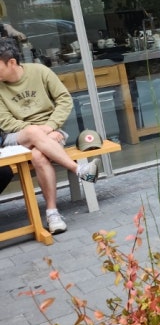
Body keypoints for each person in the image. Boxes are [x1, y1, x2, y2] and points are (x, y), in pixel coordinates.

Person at [0, 37, 99, 234]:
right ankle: (79, 170)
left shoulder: (40, 71)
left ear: (11, 62)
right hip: (16, 137)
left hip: (51, 131)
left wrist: (50, 126)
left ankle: (52, 214)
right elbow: (5, 121)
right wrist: (37, 131)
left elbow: (64, 99)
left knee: (38, 155)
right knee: (32, 132)